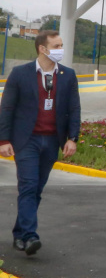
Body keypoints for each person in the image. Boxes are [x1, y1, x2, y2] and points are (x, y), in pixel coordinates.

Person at [0, 30, 80, 256]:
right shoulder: (20, 74)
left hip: (52, 140)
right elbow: (6, 108)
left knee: (36, 189)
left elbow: (74, 108)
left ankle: (19, 233)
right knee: (27, 185)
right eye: (56, 45)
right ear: (42, 49)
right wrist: (3, 139)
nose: (60, 50)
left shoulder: (67, 75)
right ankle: (30, 235)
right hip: (27, 140)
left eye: (61, 45)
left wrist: (72, 138)